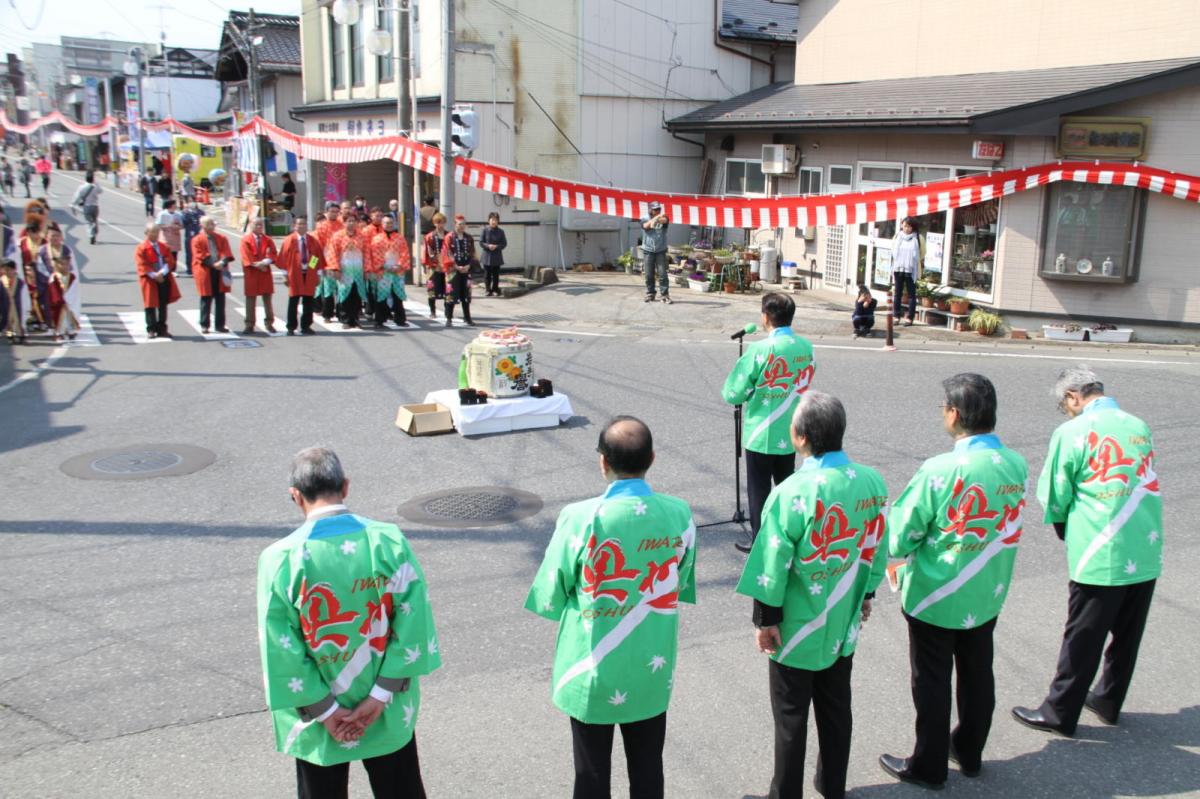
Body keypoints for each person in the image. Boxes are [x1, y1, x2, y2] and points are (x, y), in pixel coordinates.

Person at [526, 416, 697, 799]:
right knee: (648, 765)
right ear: (652, 457)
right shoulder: (679, 513)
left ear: (602, 461)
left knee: (590, 772)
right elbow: (678, 580)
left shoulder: (580, 517)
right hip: (651, 662)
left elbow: (554, 590)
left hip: (593, 663)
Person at [257, 447, 441, 797]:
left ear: (295, 496)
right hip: (386, 701)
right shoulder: (386, 541)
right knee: (400, 788)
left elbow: (281, 646)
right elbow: (413, 622)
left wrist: (326, 711)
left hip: (318, 710)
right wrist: (380, 693)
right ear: (345, 486)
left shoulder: (281, 559)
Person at [736, 392, 888, 799]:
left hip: (797, 626)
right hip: (842, 617)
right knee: (837, 709)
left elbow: (771, 564)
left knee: (791, 717)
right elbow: (875, 545)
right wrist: (868, 591)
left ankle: (785, 793)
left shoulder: (792, 492)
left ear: (800, 437)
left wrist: (766, 620)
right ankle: (832, 785)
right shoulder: (871, 482)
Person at [880, 373, 1027, 790]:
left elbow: (899, 536)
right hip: (989, 588)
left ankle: (927, 765)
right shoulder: (1016, 463)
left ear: (955, 414)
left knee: (932, 679)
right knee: (978, 671)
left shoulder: (940, 469)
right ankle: (969, 750)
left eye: (944, 408)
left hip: (938, 591)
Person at [1012, 366, 1162, 736]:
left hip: (1102, 547)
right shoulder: (1138, 425)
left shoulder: (1072, 432)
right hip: (1144, 543)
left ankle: (1060, 711)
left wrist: (1063, 525)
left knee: (1083, 634)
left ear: (1072, 397)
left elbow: (1055, 491)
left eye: (1065, 405)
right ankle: (1109, 700)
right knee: (1128, 632)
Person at [721, 292, 817, 553]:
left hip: (761, 431)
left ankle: (761, 543)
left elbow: (733, 392)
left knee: (759, 490)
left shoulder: (760, 349)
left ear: (766, 317)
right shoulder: (806, 347)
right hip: (792, 428)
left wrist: (752, 392)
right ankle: (791, 536)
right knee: (787, 486)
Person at [276, 216, 323, 335]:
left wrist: (316, 272)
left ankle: (306, 325)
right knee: (293, 301)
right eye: (299, 224)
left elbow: (316, 257)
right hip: (294, 274)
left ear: (307, 226)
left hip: (308, 272)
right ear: (294, 226)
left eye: (303, 224)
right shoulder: (289, 240)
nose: (301, 226)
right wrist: (285, 274)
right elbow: (283, 258)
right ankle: (291, 326)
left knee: (308, 301)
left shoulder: (312, 240)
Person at [134, 222, 181, 339]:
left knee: (162, 304)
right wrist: (154, 275)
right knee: (150, 305)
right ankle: (151, 328)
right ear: (146, 233)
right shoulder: (141, 248)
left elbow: (169, 261)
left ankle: (162, 328)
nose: (155, 234)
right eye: (152, 232)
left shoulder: (163, 247)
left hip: (163, 277)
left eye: (157, 232)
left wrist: (162, 273)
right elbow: (141, 264)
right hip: (149, 278)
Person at [367, 214, 411, 329]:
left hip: (397, 270)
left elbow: (404, 253)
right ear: (382, 224)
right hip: (383, 271)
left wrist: (399, 265)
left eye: (391, 223)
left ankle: (400, 319)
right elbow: (375, 255)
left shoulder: (400, 238)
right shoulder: (376, 239)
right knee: (381, 296)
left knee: (398, 295)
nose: (389, 225)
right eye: (387, 223)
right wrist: (384, 266)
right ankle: (379, 320)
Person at [325, 214, 369, 329]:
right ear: (344, 223)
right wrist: (335, 269)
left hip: (358, 270)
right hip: (344, 270)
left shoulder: (362, 236)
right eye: (348, 221)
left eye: (353, 221)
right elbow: (333, 254)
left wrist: (367, 269)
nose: (351, 223)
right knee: (344, 294)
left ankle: (355, 318)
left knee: (357, 294)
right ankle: (345, 319)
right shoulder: (337, 236)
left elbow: (367, 254)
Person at [191, 216, 234, 334]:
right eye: (209, 224)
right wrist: (213, 264)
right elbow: (199, 255)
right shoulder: (197, 239)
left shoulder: (221, 238)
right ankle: (205, 324)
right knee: (206, 298)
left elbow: (226, 251)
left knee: (221, 298)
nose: (212, 226)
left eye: (212, 224)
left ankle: (220, 324)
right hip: (206, 270)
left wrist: (222, 261)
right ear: (203, 226)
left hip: (220, 269)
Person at [40, 226, 80, 341]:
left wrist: (71, 278)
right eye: (52, 236)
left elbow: (73, 267)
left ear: (61, 237)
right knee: (54, 306)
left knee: (70, 305)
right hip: (51, 283)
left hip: (67, 281)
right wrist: (51, 278)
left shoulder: (67, 250)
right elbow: (40, 267)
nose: (55, 238)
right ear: (47, 237)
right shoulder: (42, 250)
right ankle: (57, 330)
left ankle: (71, 329)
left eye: (57, 236)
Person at [240, 218, 278, 334]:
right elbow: (246, 256)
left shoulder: (268, 239)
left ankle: (269, 323)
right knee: (250, 299)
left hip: (265, 272)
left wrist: (266, 262)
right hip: (252, 272)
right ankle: (249, 324)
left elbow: (273, 253)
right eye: (257, 225)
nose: (259, 227)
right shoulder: (246, 240)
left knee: (267, 299)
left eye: (261, 225)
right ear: (251, 226)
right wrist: (258, 265)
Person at [442, 214, 475, 327]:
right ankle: (449, 318)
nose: (461, 226)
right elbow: (447, 253)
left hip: (466, 269)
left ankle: (467, 317)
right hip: (453, 269)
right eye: (459, 224)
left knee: (466, 295)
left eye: (463, 224)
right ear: (455, 224)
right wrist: (456, 266)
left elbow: (472, 253)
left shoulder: (469, 238)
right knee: (451, 293)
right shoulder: (449, 237)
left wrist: (468, 266)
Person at [315, 204, 344, 322]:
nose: (334, 214)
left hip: (342, 261)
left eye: (336, 212)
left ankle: (341, 313)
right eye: (332, 211)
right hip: (326, 261)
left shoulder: (342, 226)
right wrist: (314, 266)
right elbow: (317, 247)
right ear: (326, 212)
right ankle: (327, 314)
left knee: (342, 289)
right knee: (328, 289)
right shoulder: (322, 227)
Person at [18, 220, 49, 331]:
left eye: (35, 232)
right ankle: (31, 319)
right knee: (28, 297)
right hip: (26, 273)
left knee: (39, 297)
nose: (33, 235)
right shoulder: (22, 243)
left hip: (40, 274)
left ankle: (41, 320)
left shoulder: (44, 242)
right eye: (30, 232)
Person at [890, 216, 920, 326]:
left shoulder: (915, 239)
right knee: (898, 293)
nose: (907, 228)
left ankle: (910, 317)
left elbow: (917, 256)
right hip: (898, 269)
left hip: (910, 270)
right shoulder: (898, 237)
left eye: (909, 226)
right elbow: (893, 253)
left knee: (912, 294)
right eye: (905, 226)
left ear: (912, 228)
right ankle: (896, 316)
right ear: (902, 225)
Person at [641, 201, 671, 303]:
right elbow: (646, 226)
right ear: (650, 210)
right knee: (649, 274)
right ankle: (650, 294)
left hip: (660, 250)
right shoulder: (644, 218)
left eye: (659, 209)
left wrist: (656, 218)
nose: (658, 211)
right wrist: (654, 218)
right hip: (648, 250)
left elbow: (664, 220)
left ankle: (665, 295)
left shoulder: (664, 217)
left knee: (662, 274)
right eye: (655, 209)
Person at [421, 211, 448, 319]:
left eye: (441, 222)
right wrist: (427, 264)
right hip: (433, 265)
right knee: (432, 290)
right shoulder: (429, 237)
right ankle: (433, 311)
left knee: (448, 289)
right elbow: (426, 252)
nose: (439, 225)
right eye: (437, 222)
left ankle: (447, 311)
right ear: (434, 223)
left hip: (446, 266)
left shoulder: (449, 235)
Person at [0, 258, 29, 344]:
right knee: (8, 320)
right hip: (6, 305)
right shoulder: (1, 281)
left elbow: (25, 296)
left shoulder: (21, 282)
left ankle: (20, 335)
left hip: (18, 305)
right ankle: (10, 336)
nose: (6, 272)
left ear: (14, 269)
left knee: (19, 320)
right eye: (4, 269)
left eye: (8, 269)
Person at [480, 211, 507, 297]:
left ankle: (495, 289)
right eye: (492, 219)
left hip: (496, 255)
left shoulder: (501, 231)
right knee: (487, 274)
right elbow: (481, 242)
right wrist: (488, 246)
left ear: (498, 221)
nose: (494, 221)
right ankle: (488, 290)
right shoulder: (485, 230)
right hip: (487, 255)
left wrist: (497, 246)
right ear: (489, 220)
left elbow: (504, 243)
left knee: (496, 274)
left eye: (495, 220)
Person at [71, 171, 102, 245]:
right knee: (94, 220)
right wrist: (96, 183)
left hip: (86, 207)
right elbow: (100, 191)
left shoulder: (82, 187)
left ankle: (91, 235)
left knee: (89, 222)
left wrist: (73, 204)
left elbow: (77, 196)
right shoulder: (95, 187)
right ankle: (94, 233)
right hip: (95, 206)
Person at [156, 198, 183, 265]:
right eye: (174, 204)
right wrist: (166, 226)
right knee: (165, 253)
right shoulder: (162, 214)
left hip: (175, 236)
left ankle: (173, 269)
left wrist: (177, 226)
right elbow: (158, 225)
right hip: (165, 236)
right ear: (170, 205)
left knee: (174, 254)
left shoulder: (178, 214)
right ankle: (165, 268)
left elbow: (182, 225)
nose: (176, 206)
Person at [181, 199, 204, 275]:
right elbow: (183, 223)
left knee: (200, 252)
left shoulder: (200, 212)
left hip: (199, 234)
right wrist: (186, 212)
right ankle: (189, 269)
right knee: (189, 253)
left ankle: (199, 267)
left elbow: (203, 221)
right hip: (190, 235)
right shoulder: (186, 213)